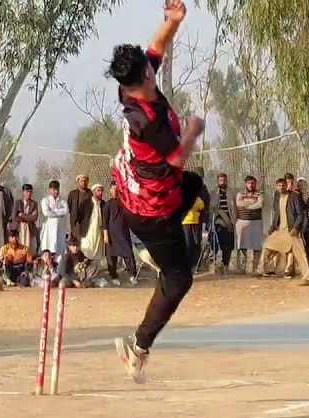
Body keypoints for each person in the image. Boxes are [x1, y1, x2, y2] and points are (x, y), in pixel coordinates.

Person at [107, 0, 206, 383]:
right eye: (151, 65)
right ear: (147, 75)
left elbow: (157, 47)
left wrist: (172, 21)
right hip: (152, 211)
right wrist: (194, 130)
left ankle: (157, 249)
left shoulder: (132, 90)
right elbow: (177, 157)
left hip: (136, 194)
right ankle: (139, 347)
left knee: (195, 185)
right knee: (179, 279)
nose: (154, 62)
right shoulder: (148, 122)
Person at [261, 178, 309, 285]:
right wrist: (273, 227)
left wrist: (295, 228)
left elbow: (300, 214)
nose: (281, 187)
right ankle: (262, 269)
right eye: (279, 185)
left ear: (287, 186)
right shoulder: (278, 197)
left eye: (283, 185)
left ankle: (307, 278)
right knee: (268, 246)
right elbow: (277, 214)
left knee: (300, 255)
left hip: (292, 231)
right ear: (276, 187)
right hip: (281, 231)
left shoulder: (294, 196)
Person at [103, 181, 137, 286]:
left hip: (124, 233)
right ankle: (114, 277)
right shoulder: (107, 204)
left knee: (128, 254)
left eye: (117, 188)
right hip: (111, 234)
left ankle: (132, 276)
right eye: (113, 188)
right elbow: (105, 221)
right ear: (110, 190)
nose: (115, 190)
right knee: (111, 256)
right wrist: (105, 234)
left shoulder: (125, 202)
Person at [235, 175, 264, 274]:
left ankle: (255, 268)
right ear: (245, 184)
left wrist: (247, 205)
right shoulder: (240, 193)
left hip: (256, 222)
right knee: (242, 246)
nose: (251, 185)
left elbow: (259, 204)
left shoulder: (259, 193)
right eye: (249, 183)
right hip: (242, 222)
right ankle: (242, 268)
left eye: (253, 183)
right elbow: (239, 204)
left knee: (256, 246)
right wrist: (252, 203)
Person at [209, 173, 236, 274]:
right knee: (215, 244)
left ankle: (226, 266)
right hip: (217, 222)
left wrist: (232, 221)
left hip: (230, 223)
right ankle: (215, 266)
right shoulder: (213, 193)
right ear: (217, 181)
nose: (223, 182)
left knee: (228, 246)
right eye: (221, 180)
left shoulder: (231, 193)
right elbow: (212, 208)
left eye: (224, 180)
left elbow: (234, 209)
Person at [40, 180, 69, 261]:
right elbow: (46, 213)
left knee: (60, 248)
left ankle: (59, 267)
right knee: (49, 246)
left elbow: (66, 211)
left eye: (57, 189)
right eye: (54, 189)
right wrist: (59, 212)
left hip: (60, 228)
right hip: (49, 228)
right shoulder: (45, 200)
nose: (56, 191)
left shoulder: (62, 200)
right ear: (50, 190)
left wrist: (54, 211)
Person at [79, 184, 106, 263]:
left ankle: (95, 269)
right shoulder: (86, 203)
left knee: (98, 250)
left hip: (99, 231)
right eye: (98, 191)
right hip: (88, 231)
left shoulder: (103, 204)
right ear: (93, 192)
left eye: (101, 191)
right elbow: (80, 216)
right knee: (86, 249)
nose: (100, 193)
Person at [181, 188, 205, 272]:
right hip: (185, 222)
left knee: (196, 242)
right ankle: (188, 265)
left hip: (195, 223)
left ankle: (197, 264)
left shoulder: (196, 198)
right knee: (187, 244)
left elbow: (201, 205)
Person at [11, 184, 39, 255]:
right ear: (23, 192)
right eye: (27, 191)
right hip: (19, 229)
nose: (29, 194)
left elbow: (34, 217)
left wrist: (22, 215)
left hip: (30, 229)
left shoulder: (34, 203)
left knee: (31, 249)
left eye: (30, 192)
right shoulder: (17, 202)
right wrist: (28, 217)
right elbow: (14, 217)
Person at [67, 174, 92, 241]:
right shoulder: (72, 193)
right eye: (81, 181)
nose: (83, 183)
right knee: (75, 240)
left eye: (85, 181)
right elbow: (69, 206)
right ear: (78, 182)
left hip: (87, 221)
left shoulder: (90, 194)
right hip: (75, 222)